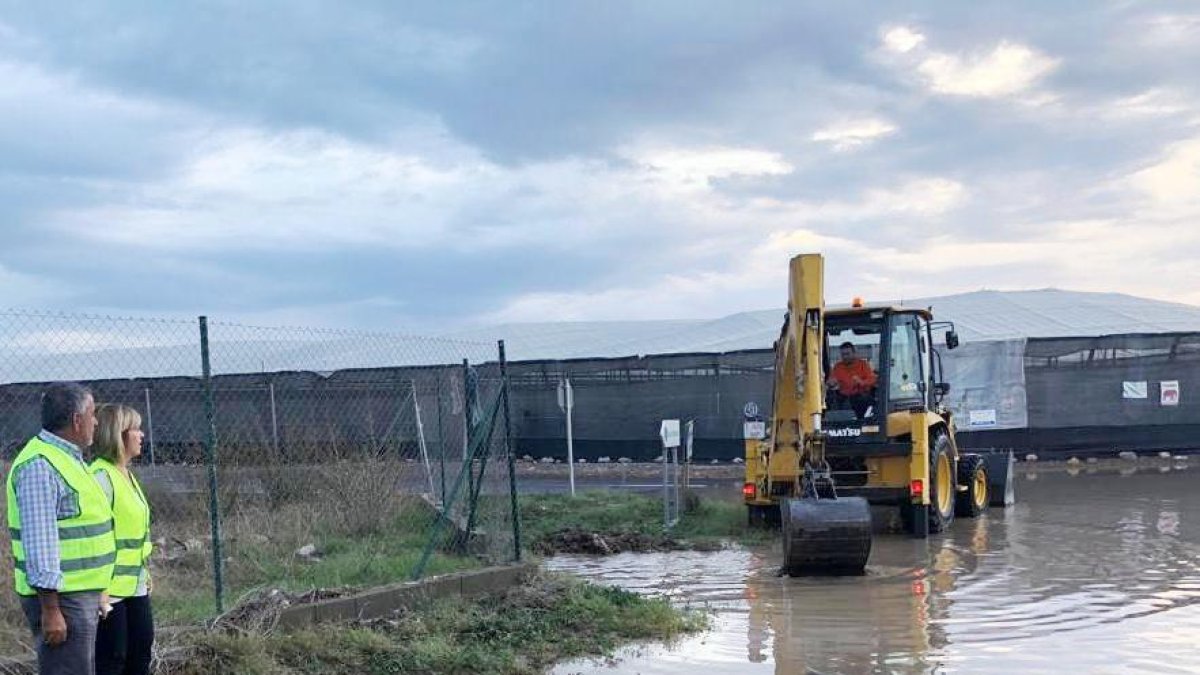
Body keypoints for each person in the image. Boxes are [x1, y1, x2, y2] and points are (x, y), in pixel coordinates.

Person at [5, 382, 115, 675]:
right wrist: (51, 610)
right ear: (77, 420)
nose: (95, 422)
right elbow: (40, 542)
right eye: (92, 415)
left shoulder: (67, 458)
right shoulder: (40, 466)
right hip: (63, 600)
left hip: (77, 595)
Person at [91, 404, 154, 675]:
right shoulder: (101, 477)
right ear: (118, 435)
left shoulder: (126, 474)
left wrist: (145, 571)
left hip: (135, 584)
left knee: (140, 653)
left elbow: (136, 532)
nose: (142, 435)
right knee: (113, 659)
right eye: (135, 429)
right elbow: (95, 536)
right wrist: (100, 589)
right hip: (110, 589)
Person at [827, 342, 877, 418]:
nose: (845, 357)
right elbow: (831, 380)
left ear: (854, 353)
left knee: (864, 401)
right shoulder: (838, 367)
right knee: (831, 403)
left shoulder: (863, 364)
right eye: (843, 354)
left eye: (847, 354)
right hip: (843, 398)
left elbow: (872, 380)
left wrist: (862, 382)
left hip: (860, 396)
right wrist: (831, 383)